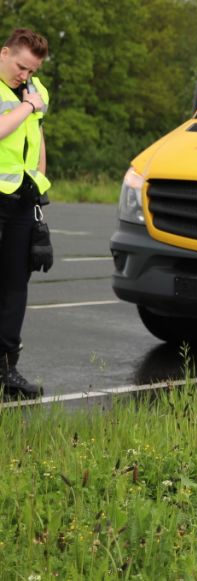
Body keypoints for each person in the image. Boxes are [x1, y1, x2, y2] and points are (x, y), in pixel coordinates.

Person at [0, 28, 52, 400]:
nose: (25, 76)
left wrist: (40, 179)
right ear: (4, 53)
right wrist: (28, 104)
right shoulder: (27, 99)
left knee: (16, 287)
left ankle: (7, 369)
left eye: (32, 71)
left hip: (21, 199)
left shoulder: (37, 90)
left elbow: (37, 135)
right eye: (21, 67)